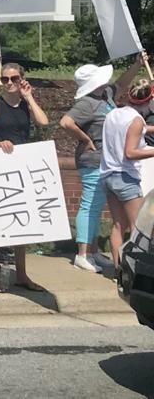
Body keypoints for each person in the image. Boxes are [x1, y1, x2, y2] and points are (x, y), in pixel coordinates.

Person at [60, 55, 145, 273]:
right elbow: (66, 122)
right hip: (92, 160)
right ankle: (82, 253)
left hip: (105, 161)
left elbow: (122, 84)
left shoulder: (106, 94)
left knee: (97, 207)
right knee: (90, 204)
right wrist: (85, 139)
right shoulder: (86, 103)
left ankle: (93, 250)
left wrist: (137, 64)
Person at [0, 63, 51, 293]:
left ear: (22, 79)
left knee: (22, 218)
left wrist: (29, 97)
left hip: (21, 165)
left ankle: (22, 274)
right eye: (5, 79)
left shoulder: (26, 104)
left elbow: (43, 122)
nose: (9, 83)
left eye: (14, 78)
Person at [101, 76, 154, 267]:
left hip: (107, 175)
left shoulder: (114, 113)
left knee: (118, 225)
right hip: (125, 177)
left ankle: (118, 271)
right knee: (138, 228)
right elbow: (130, 152)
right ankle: (133, 271)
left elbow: (137, 129)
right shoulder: (137, 120)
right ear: (149, 100)